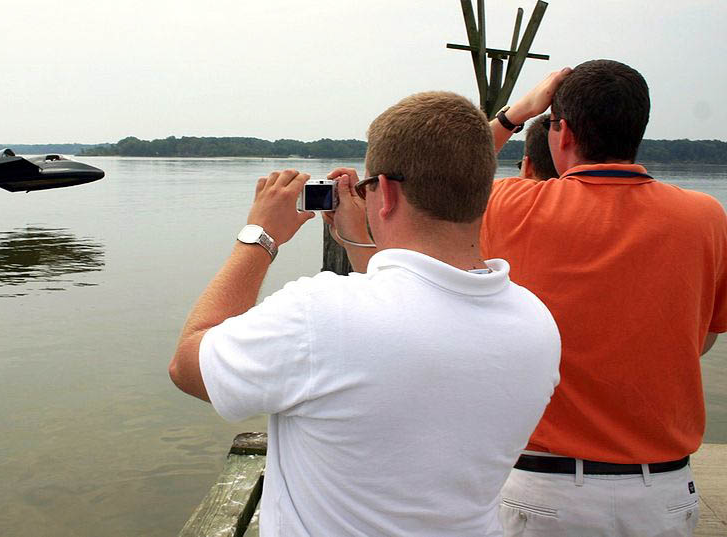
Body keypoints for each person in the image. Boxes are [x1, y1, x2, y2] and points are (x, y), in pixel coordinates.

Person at [169, 91, 561, 536]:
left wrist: (260, 236)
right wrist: (359, 241)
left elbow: (188, 364)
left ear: (387, 192)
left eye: (369, 186)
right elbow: (411, 312)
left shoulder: (319, 316)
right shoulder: (536, 323)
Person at [484, 60, 727, 536]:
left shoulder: (512, 206)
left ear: (564, 133)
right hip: (663, 492)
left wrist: (515, 114)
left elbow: (440, 177)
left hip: (545, 490)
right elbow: (701, 340)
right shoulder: (706, 218)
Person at [517, 113, 557, 180]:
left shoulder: (507, 189)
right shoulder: (578, 188)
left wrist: (507, 120)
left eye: (520, 166)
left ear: (528, 167)